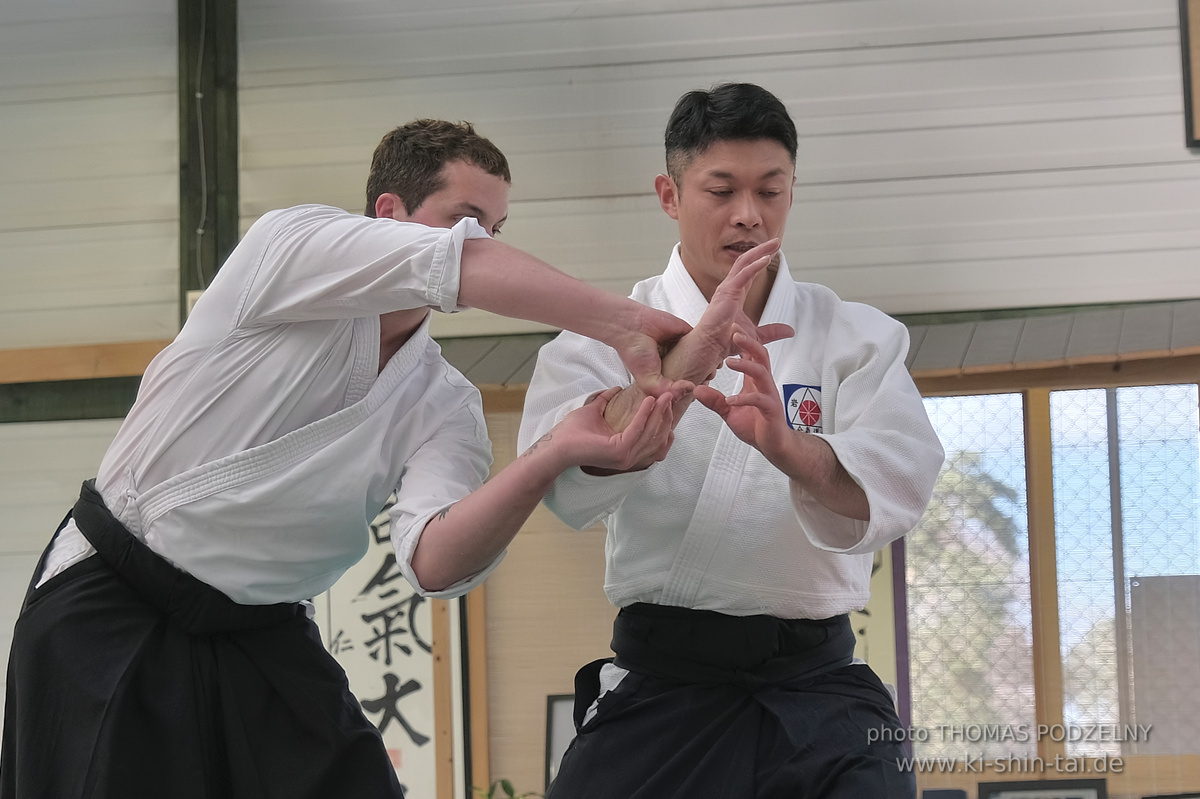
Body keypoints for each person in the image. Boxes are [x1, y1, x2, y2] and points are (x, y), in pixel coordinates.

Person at [0, 119, 698, 799]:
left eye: (496, 226)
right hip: (117, 599)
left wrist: (553, 453)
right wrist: (622, 321)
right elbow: (460, 264)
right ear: (387, 212)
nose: (484, 241)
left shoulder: (444, 401)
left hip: (262, 631)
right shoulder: (290, 246)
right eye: (464, 218)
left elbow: (435, 559)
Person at [518, 83, 946, 798]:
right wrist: (680, 369)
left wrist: (790, 448)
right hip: (663, 684)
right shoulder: (604, 336)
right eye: (721, 189)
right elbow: (560, 487)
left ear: (792, 191)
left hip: (820, 688)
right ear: (669, 193)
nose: (749, 215)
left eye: (770, 191)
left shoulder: (857, 335)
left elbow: (901, 482)